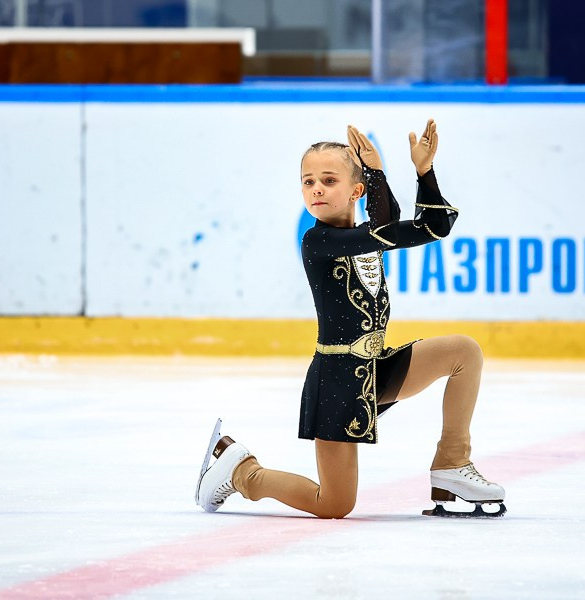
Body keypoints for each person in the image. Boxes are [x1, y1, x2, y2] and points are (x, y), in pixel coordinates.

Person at [195, 119, 505, 519]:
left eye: (328, 179)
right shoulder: (319, 241)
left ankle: (451, 462)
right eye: (308, 182)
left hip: (377, 367)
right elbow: (391, 230)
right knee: (335, 504)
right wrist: (377, 176)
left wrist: (420, 172)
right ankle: (242, 472)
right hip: (337, 382)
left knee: (464, 351)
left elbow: (425, 226)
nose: (317, 189)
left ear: (354, 191)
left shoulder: (363, 233)